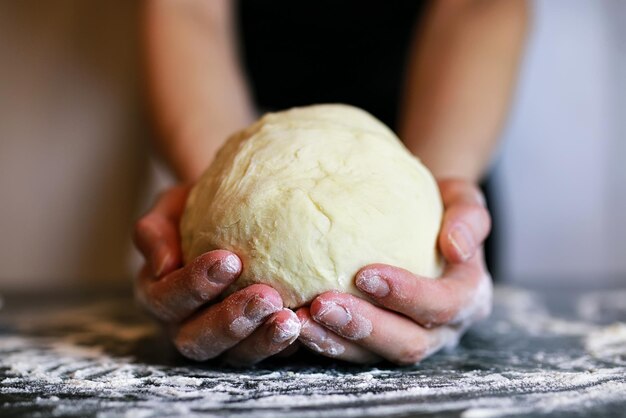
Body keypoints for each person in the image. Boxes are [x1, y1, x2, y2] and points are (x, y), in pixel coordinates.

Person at [134, 0, 528, 365]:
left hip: (439, 127)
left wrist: (436, 202)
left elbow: (479, 5)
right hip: (245, 125)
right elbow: (187, 9)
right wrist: (217, 195)